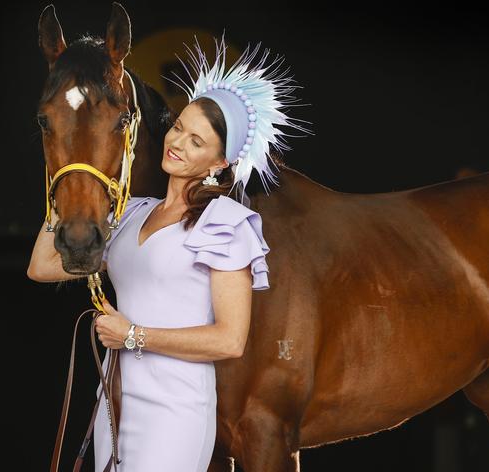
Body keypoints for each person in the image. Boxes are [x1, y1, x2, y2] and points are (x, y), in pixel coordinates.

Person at [27, 33, 311, 471]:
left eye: (197, 142)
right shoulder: (131, 213)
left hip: (176, 410)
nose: (177, 143)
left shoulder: (224, 225)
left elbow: (230, 340)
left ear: (219, 163)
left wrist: (133, 336)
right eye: (179, 127)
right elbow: (42, 267)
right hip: (117, 407)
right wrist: (70, 185)